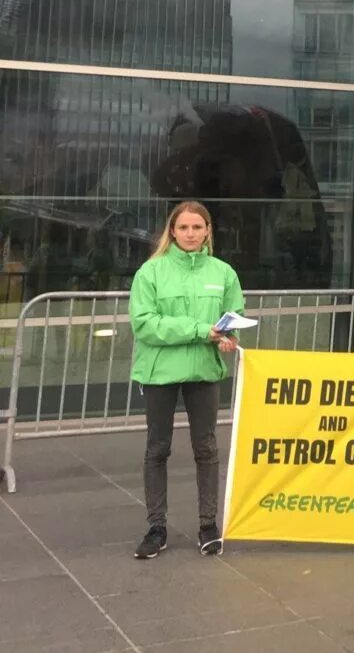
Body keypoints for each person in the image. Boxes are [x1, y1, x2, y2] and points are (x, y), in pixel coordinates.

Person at [128, 200, 244, 559]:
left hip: (204, 371)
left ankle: (208, 525)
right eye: (184, 228)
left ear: (208, 230)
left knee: (206, 447)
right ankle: (156, 527)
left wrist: (229, 338)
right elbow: (145, 323)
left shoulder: (224, 272)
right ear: (172, 231)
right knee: (157, 448)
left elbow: (233, 315)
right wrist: (200, 330)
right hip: (160, 372)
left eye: (197, 227)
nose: (191, 234)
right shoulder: (151, 272)